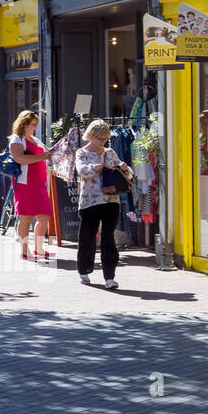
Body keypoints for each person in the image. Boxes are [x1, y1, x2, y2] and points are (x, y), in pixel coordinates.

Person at [75, 118, 133, 289]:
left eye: (105, 139)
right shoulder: (82, 152)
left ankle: (109, 277)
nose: (103, 142)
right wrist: (99, 166)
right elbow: (82, 171)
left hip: (111, 200)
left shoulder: (110, 152)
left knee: (109, 238)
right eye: (100, 138)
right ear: (91, 136)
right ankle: (84, 270)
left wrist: (124, 168)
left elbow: (128, 176)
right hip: (89, 202)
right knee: (87, 237)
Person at [7, 110, 54, 261]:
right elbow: (19, 158)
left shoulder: (35, 139)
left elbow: (47, 154)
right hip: (25, 184)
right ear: (24, 123)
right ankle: (25, 250)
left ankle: (39, 249)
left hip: (39, 184)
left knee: (44, 216)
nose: (35, 127)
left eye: (36, 125)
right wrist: (41, 156)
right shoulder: (16, 139)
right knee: (25, 218)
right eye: (33, 124)